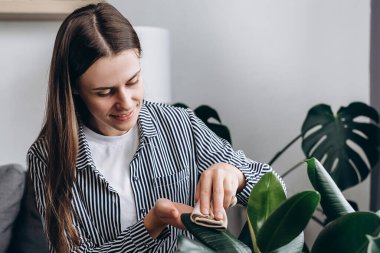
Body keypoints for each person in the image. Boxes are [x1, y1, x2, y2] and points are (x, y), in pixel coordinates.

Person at [27, 2, 277, 253]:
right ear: (75, 89)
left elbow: (277, 192)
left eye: (133, 81)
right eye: (104, 92)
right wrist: (152, 224)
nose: (126, 103)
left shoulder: (181, 125)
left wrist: (236, 176)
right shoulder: (47, 157)